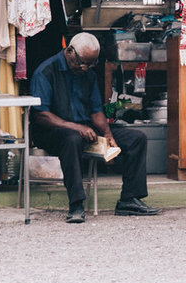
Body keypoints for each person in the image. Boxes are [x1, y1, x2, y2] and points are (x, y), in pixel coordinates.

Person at [30, 32, 161, 223]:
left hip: (85, 129)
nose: (86, 68)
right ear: (69, 52)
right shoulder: (46, 72)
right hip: (52, 131)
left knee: (136, 138)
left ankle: (129, 199)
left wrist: (108, 135)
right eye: (83, 63)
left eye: (91, 64)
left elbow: (96, 111)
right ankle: (76, 205)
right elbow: (41, 115)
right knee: (72, 139)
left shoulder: (88, 74)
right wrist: (75, 127)